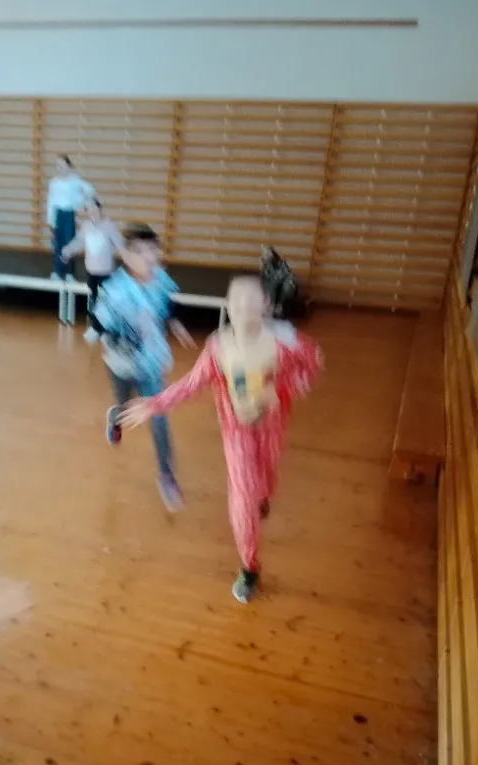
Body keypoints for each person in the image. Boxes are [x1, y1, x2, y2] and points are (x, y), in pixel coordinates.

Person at [121, 276, 322, 604]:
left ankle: (262, 496)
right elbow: (191, 384)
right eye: (236, 298)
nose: (243, 305)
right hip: (236, 432)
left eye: (251, 298)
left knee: (265, 482)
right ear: (228, 305)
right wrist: (154, 404)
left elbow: (312, 364)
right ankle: (249, 566)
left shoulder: (286, 340)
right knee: (243, 494)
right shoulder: (218, 348)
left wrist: (276, 390)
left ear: (266, 305)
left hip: (271, 427)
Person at [92, 223, 195, 512]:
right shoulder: (114, 290)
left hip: (151, 362)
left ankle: (166, 474)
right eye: (139, 251)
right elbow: (100, 323)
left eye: (152, 250)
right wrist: (118, 338)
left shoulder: (160, 280)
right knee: (125, 407)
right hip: (121, 364)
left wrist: (175, 324)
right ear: (126, 256)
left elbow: (165, 306)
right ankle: (115, 417)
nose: (148, 257)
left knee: (158, 417)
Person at [61, 198, 123, 341]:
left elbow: (120, 243)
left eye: (93, 207)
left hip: (106, 271)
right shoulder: (86, 226)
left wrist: (132, 257)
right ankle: (96, 326)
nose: (91, 211)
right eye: (88, 209)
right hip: (91, 270)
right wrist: (67, 251)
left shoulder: (109, 226)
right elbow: (78, 242)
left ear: (99, 208)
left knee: (107, 299)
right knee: (93, 298)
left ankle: (108, 327)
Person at [47, 155, 94, 281]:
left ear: (68, 166)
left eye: (63, 165)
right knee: (57, 244)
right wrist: (50, 220)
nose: (60, 168)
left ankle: (69, 273)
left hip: (69, 214)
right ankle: (57, 271)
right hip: (58, 214)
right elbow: (51, 202)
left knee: (69, 243)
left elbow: (90, 190)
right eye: (58, 165)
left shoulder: (75, 180)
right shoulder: (54, 182)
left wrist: (83, 203)